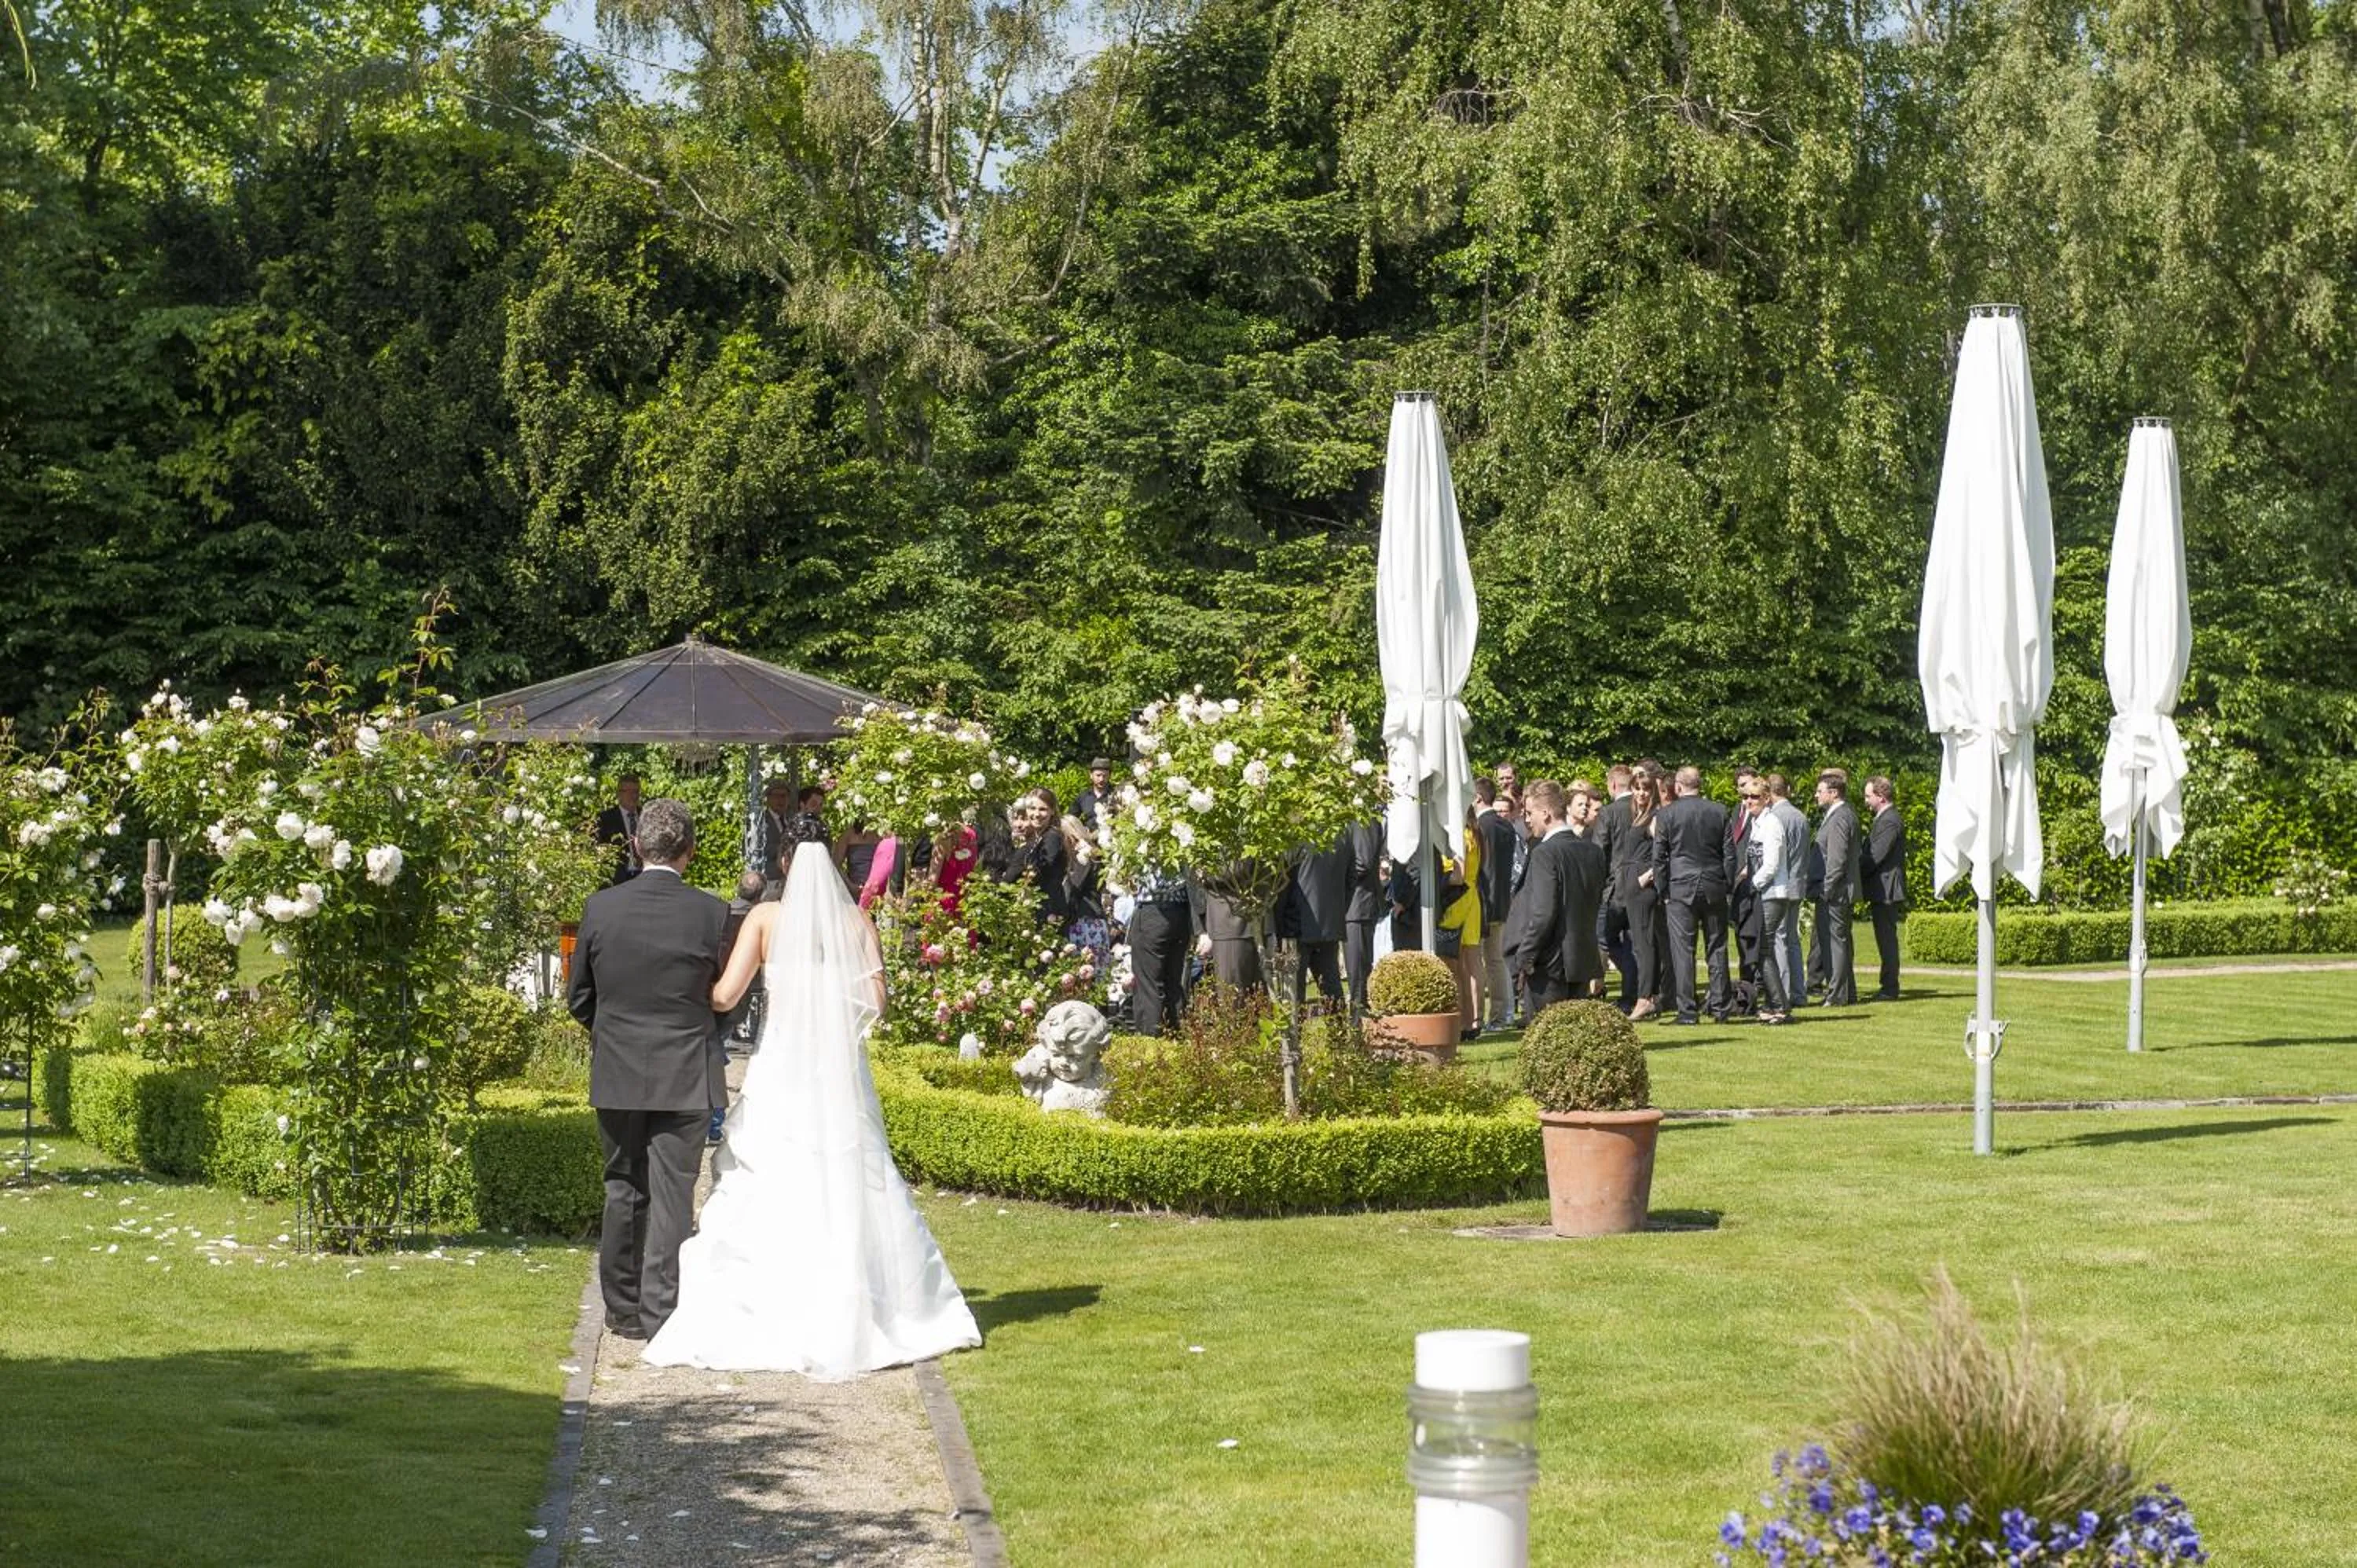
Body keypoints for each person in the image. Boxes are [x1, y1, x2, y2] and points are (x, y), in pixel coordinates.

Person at [643, 830, 982, 1375]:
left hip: (782, 1062)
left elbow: (726, 995)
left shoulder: (766, 919)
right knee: (850, 1167)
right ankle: (860, 1298)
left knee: (774, 1168)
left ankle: (773, 1296)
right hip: (836, 1068)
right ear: (835, 860)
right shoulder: (856, 921)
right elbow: (876, 1001)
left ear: (784, 862)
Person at [568, 797, 728, 1341]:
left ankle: (623, 1309)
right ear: (691, 851)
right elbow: (726, 998)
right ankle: (662, 1310)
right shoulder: (712, 912)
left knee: (622, 1186)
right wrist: (705, 1038)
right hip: (685, 1069)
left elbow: (578, 997)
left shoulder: (601, 908)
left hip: (618, 1067)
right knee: (672, 1193)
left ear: (637, 846)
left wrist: (613, 1036)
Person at [1503, 780, 1607, 1011]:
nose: (1527, 820)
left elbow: (1543, 913)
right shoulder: (1594, 852)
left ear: (1546, 813)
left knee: (1544, 1038)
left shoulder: (1545, 853)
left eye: (1530, 813)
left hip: (1549, 964)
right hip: (1582, 958)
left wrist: (1524, 956)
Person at [1651, 766, 1733, 1025]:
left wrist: (1663, 890)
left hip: (1680, 887)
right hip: (1713, 885)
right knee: (1717, 947)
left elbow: (1659, 857)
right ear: (1700, 784)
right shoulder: (1719, 811)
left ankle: (1687, 1011)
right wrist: (1726, 885)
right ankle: (1721, 1008)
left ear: (1678, 786)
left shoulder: (1667, 814)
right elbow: (1729, 854)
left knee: (1683, 951)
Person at [710, 870, 770, 1142]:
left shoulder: (718, 913)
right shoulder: (758, 918)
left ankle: (712, 1120)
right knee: (716, 1052)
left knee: (715, 1049)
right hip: (741, 994)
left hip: (712, 989)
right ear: (761, 894)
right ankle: (714, 1121)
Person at [1277, 829, 1351, 1009]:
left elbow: (1283, 884)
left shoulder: (1296, 836)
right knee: (1332, 988)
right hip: (1330, 924)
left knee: (1295, 994)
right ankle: (1339, 1035)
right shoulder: (1342, 834)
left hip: (1296, 924)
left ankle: (1295, 1036)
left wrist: (1278, 926)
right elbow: (1351, 880)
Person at [1743, 776, 1795, 1025]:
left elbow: (1772, 864)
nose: (1749, 801)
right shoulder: (1756, 822)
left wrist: (1751, 885)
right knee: (1764, 951)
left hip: (1772, 894)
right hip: (1762, 893)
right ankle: (1775, 1003)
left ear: (1766, 798)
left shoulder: (1772, 823)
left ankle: (1780, 1006)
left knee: (1763, 950)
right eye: (1745, 797)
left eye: (1754, 797)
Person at [1619, 764, 1670, 1020]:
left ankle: (1645, 998)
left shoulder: (1654, 818)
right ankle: (1650, 996)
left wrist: (1647, 876)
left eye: (1646, 789)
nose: (1641, 793)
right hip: (1632, 883)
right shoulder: (1638, 815)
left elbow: (1665, 853)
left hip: (1642, 886)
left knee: (1645, 944)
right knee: (1641, 942)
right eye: (1637, 788)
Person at [1589, 765, 1640, 1011]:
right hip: (1643, 884)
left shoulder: (1608, 813)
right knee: (1634, 941)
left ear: (1612, 786)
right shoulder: (1645, 808)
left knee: (1604, 938)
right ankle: (1637, 989)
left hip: (1615, 888)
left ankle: (1632, 987)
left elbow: (1598, 852)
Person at [1125, 861, 1193, 1034]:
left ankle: (1151, 1044)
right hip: (1181, 912)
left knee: (1148, 986)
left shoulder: (1151, 842)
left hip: (1153, 910)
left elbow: (1156, 885)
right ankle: (1177, 1038)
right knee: (1173, 983)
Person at [1764, 774, 1812, 1016]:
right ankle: (1799, 992)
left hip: (1780, 887)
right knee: (1792, 940)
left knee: (1780, 940)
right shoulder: (1800, 816)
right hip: (1798, 883)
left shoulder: (1775, 818)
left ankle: (1782, 992)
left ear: (1770, 793)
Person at [1472, 780, 1519, 1030]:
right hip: (1501, 899)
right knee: (1496, 960)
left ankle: (1479, 1015)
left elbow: (1483, 869)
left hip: (1484, 902)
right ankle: (1503, 1013)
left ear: (1478, 798)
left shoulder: (1481, 826)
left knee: (1479, 961)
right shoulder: (1506, 826)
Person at [1811, 769, 1860, 1006]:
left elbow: (1837, 860)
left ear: (1833, 793)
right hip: (1836, 890)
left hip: (1836, 892)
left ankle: (1838, 994)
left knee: (1836, 943)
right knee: (1838, 942)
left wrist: (1826, 890)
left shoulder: (1841, 817)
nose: (1816, 795)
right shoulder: (1840, 814)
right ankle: (1845, 992)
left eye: (1820, 791)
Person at [1437, 810, 1485, 1039]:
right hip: (1473, 898)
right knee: (1472, 963)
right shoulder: (1476, 834)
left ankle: (1461, 1019)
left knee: (1451, 963)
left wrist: (1439, 884)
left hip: (1457, 900)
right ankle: (1474, 1019)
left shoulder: (1459, 837)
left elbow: (1458, 874)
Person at [1861, 775, 1909, 1002]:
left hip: (1887, 888)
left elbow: (1876, 856)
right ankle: (1888, 985)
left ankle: (1890, 987)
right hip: (1883, 887)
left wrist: (1854, 870)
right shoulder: (1885, 818)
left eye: (1868, 796)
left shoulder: (1889, 820)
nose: (1866, 801)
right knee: (1885, 938)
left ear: (1880, 797)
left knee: (1887, 940)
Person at [1343, 818, 1385, 1013]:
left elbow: (1363, 863)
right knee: (1356, 969)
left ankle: (1359, 1020)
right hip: (1354, 906)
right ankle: (1359, 1017)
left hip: (1359, 905)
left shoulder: (1362, 821)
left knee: (1358, 970)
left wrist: (1337, 880)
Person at [593, 773, 643, 885]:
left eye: (636, 791)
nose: (633, 796)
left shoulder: (647, 816)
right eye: (629, 792)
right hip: (617, 881)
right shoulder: (605, 819)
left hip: (644, 878)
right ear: (619, 794)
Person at [1072, 759, 1119, 831]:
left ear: (1109, 776)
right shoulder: (1083, 796)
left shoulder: (1116, 796)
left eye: (1105, 776)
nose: (1101, 779)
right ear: (1091, 775)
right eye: (1098, 775)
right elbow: (1071, 818)